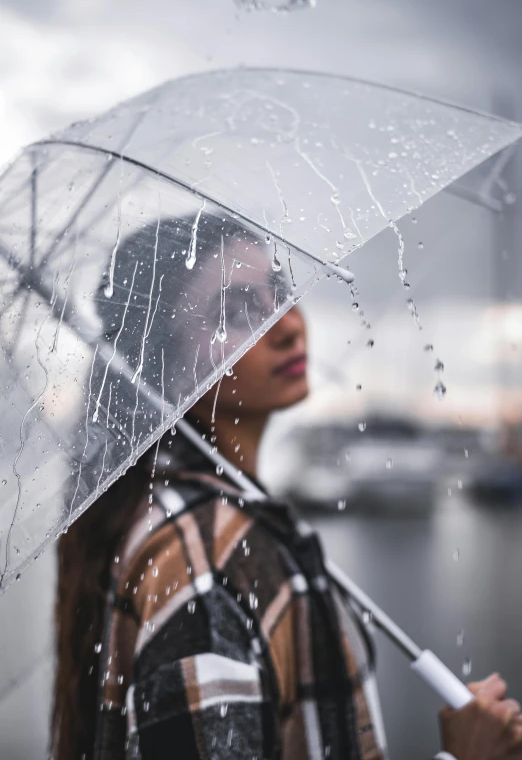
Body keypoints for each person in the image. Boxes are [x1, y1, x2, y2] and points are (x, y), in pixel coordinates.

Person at [52, 211, 522, 760]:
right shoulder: (201, 564)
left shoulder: (228, 520)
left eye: (277, 292)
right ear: (165, 366)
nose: (287, 326)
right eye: (234, 311)